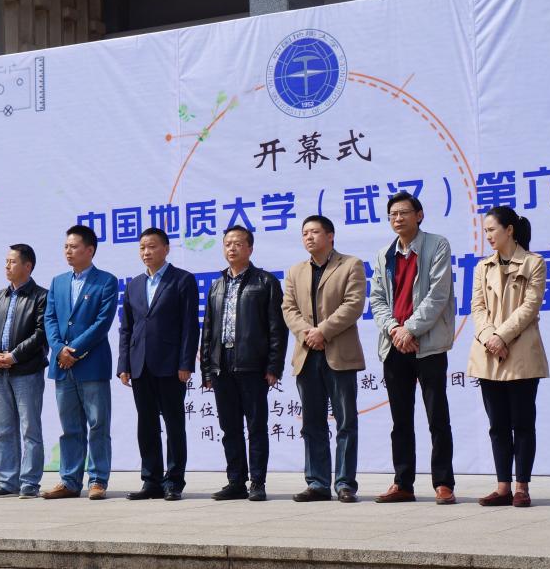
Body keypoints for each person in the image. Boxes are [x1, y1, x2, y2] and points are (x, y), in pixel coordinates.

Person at [370, 192, 457, 505]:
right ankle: (403, 483)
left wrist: (410, 329)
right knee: (400, 420)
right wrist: (395, 329)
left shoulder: (437, 245)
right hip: (395, 345)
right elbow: (377, 299)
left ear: (419, 215)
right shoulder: (384, 254)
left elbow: (438, 295)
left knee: (437, 417)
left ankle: (443, 483)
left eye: (404, 212)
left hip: (428, 344)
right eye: (393, 214)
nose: (398, 218)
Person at [468, 207, 548, 508]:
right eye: (485, 231)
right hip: (488, 353)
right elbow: (477, 308)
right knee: (497, 424)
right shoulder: (482, 267)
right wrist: (490, 337)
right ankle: (502, 486)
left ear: (509, 230)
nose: (488, 236)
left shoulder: (534, 262)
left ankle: (521, 486)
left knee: (523, 423)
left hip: (521, 352)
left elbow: (530, 306)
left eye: (492, 230)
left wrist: (501, 337)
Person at [200, 225, 287, 502]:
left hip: (252, 365)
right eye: (227, 244)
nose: (232, 248)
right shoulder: (217, 284)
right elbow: (208, 329)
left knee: (256, 426)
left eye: (238, 243)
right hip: (221, 365)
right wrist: (206, 368)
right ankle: (235, 481)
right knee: (230, 428)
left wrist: (274, 366)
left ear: (250, 248)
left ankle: (257, 482)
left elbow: (277, 328)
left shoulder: (265, 281)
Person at [281, 215, 365, 503]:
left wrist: (323, 332)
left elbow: (353, 304)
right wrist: (307, 333)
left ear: (330, 236)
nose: (309, 237)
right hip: (307, 355)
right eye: (305, 233)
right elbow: (288, 308)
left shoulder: (350, 264)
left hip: (339, 354)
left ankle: (345, 483)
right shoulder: (295, 271)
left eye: (315, 232)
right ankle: (317, 482)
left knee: (345, 421)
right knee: (312, 423)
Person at [118, 227, 199, 501]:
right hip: (140, 365)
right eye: (142, 247)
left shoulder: (182, 280)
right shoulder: (134, 285)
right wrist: (124, 364)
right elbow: (126, 328)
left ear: (166, 249)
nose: (146, 252)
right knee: (147, 425)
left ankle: (174, 481)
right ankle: (151, 480)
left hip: (170, 365)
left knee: (174, 424)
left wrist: (186, 363)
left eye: (152, 246)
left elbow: (189, 326)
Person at [42, 225, 118, 500]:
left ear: (90, 250)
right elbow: (50, 319)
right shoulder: (58, 282)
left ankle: (97, 480)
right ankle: (70, 481)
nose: (68, 251)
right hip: (62, 366)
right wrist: (59, 349)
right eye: (66, 246)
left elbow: (102, 323)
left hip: (92, 364)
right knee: (70, 428)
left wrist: (73, 350)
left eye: (74, 247)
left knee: (98, 425)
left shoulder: (106, 281)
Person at [0, 244, 49, 499]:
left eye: (12, 262)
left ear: (27, 266)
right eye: (6, 261)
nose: (7, 266)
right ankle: (8, 481)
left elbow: (41, 333)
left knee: (30, 429)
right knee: (5, 429)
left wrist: (14, 356)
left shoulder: (41, 296)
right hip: (0, 372)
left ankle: (29, 482)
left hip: (27, 371)